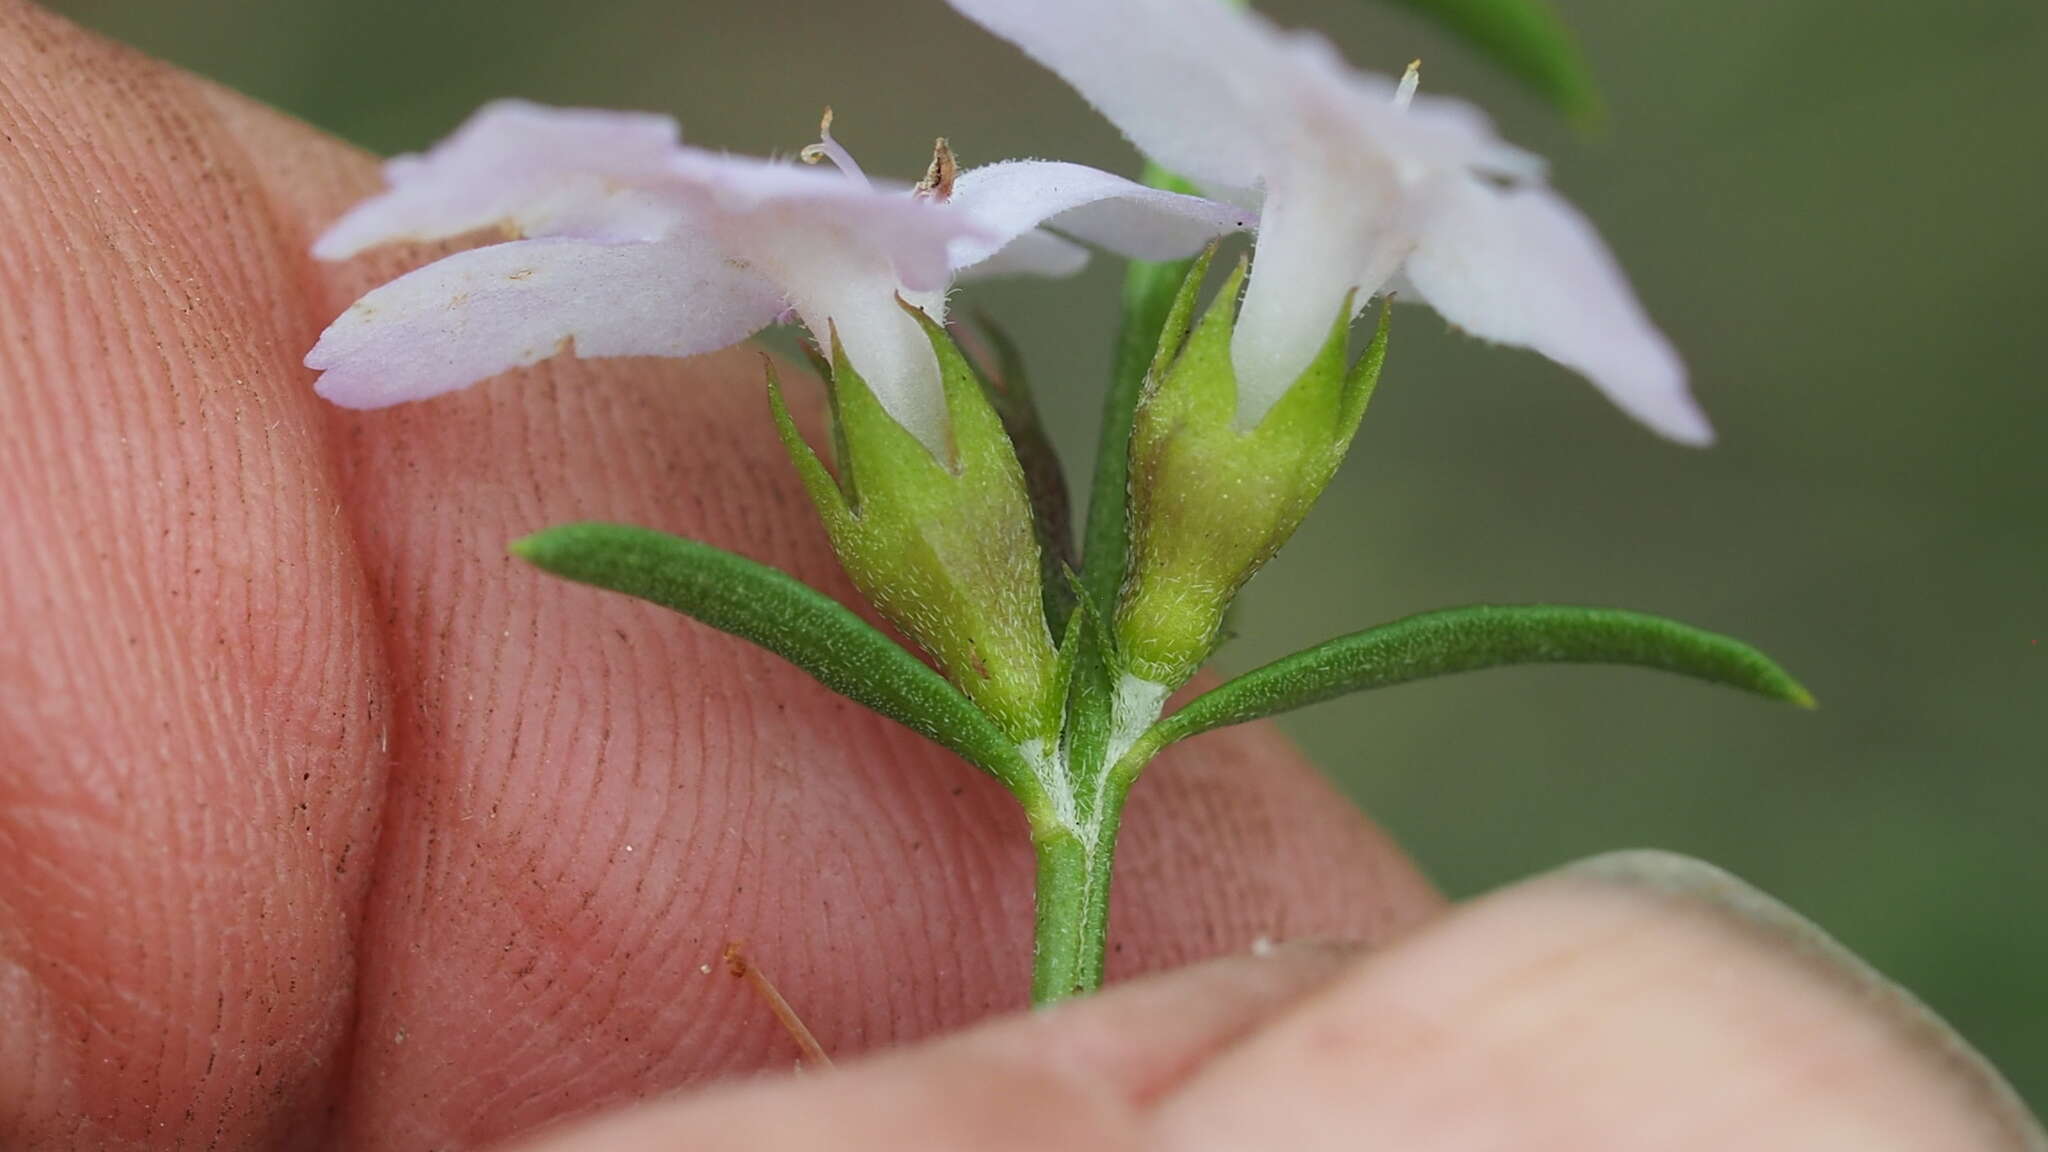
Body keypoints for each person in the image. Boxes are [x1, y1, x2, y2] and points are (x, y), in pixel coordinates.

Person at [0, 3, 2038, 1147]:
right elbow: (384, 337)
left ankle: (1125, 657)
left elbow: (1126, 225)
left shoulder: (1107, 207)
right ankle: (1114, 662)